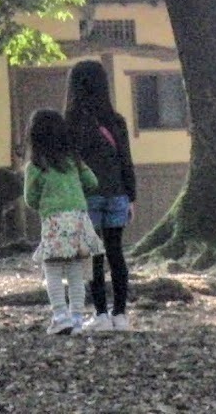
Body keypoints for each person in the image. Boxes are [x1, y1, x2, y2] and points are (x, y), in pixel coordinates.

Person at [64, 60, 137, 332]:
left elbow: (69, 164)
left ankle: (101, 315)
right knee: (116, 253)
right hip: (117, 194)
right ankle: (121, 315)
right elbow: (126, 161)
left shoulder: (70, 123)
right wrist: (131, 196)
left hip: (87, 196)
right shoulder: (116, 121)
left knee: (94, 256)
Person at [24, 108, 104, 336]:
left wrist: (45, 202)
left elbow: (30, 199)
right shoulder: (74, 161)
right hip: (79, 220)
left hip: (54, 222)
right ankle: (77, 318)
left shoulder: (36, 166)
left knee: (52, 269)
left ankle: (60, 316)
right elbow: (93, 182)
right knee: (76, 271)